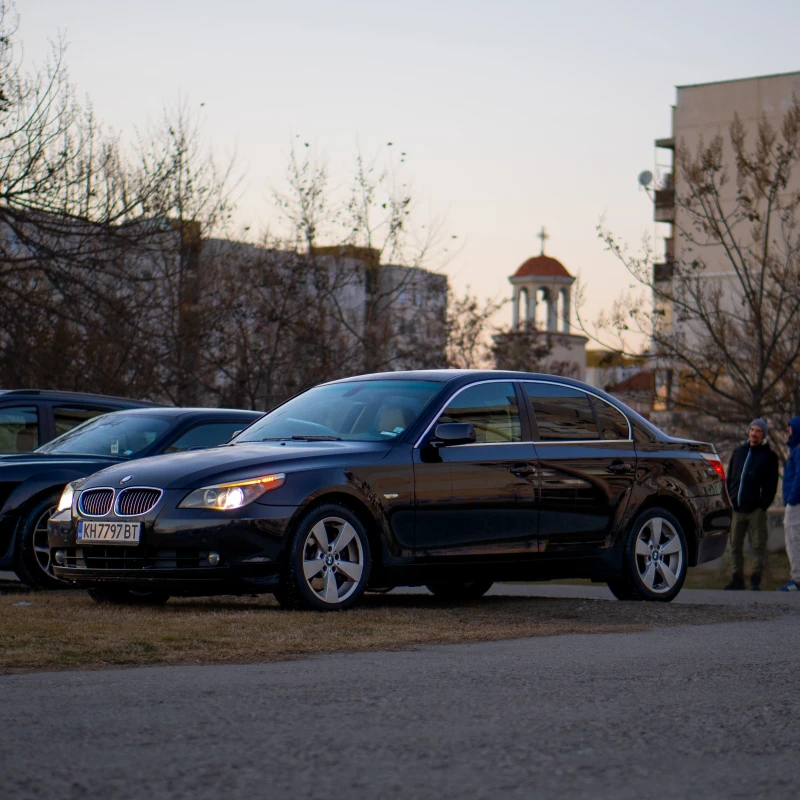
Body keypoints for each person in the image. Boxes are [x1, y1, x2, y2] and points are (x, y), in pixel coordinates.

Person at [724, 419, 779, 590]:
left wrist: (763, 505)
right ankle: (737, 579)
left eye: (758, 431)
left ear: (763, 435)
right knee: (735, 545)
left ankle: (755, 579)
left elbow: (771, 484)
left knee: (758, 546)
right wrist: (731, 499)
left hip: (756, 510)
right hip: (738, 508)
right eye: (752, 430)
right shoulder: (739, 452)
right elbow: (730, 476)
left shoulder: (769, 456)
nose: (754, 433)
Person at [779, 417, 800, 592]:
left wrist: (792, 499)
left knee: (793, 539)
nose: (788, 431)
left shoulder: (799, 450)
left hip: (796, 504)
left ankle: (797, 579)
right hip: (794, 502)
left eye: (790, 428)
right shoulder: (795, 450)